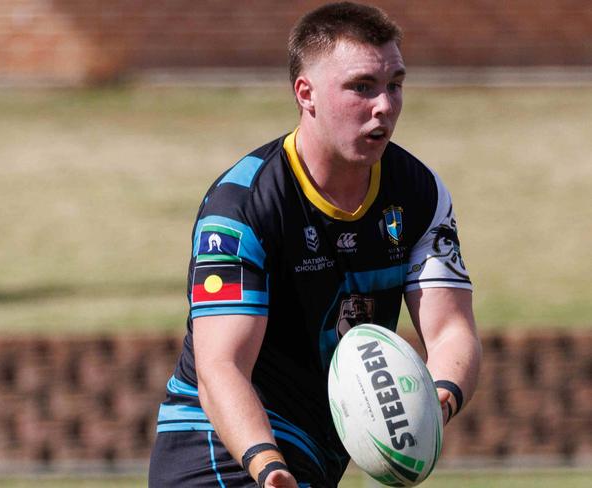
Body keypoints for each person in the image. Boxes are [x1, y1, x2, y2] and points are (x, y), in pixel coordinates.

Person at [149, 2, 482, 487]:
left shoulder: (419, 193)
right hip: (220, 447)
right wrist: (267, 465)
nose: (384, 105)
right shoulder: (242, 206)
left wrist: (434, 403)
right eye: (361, 87)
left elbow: (452, 329)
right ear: (305, 93)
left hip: (315, 448)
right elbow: (220, 368)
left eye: (395, 85)